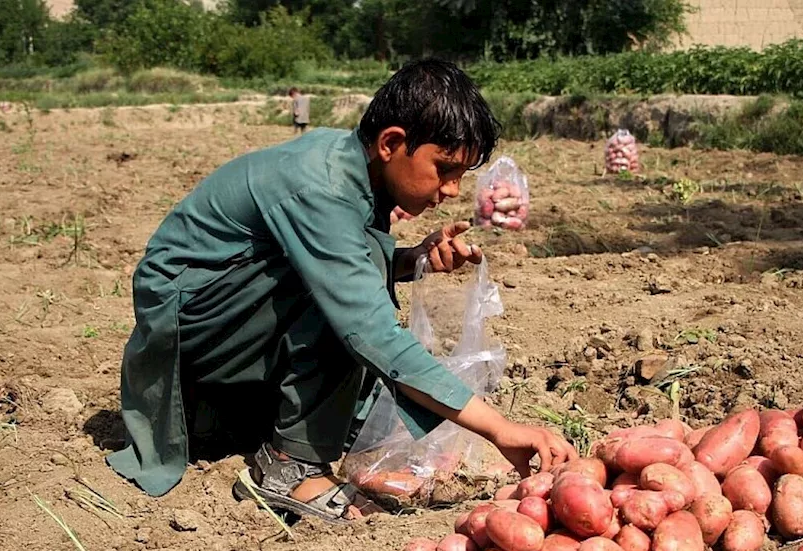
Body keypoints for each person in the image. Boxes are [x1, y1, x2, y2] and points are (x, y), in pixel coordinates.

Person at [108, 58, 572, 521]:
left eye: (461, 175)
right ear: (392, 143)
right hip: (191, 340)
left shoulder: (353, 166)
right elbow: (366, 325)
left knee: (360, 274)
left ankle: (294, 426)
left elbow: (339, 257)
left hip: (225, 329)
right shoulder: (323, 187)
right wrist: (500, 429)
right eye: (444, 169)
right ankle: (290, 465)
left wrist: (412, 260)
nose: (451, 190)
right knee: (353, 307)